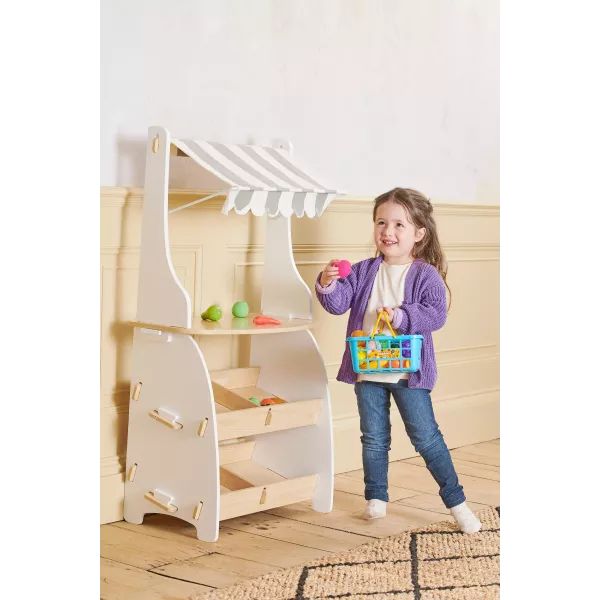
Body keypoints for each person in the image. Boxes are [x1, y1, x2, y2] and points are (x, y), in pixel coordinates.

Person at [315, 187, 481, 534]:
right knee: (373, 438)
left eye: (398, 225)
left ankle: (457, 502)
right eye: (381, 222)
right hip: (368, 370)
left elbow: (436, 314)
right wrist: (328, 284)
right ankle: (376, 497)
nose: (387, 231)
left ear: (419, 233)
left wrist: (402, 316)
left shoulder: (425, 275)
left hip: (408, 374)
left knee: (426, 438)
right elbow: (338, 304)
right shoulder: (362, 271)